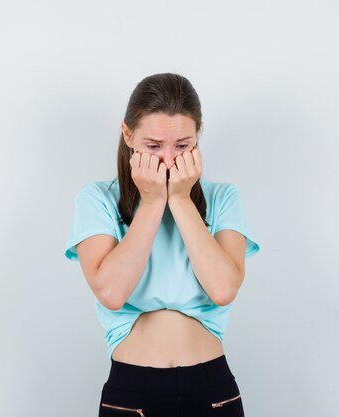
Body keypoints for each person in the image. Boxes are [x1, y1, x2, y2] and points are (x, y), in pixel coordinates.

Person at [64, 73, 260, 417]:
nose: (169, 160)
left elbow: (223, 289)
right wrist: (153, 203)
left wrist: (181, 199)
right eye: (154, 146)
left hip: (212, 388)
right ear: (128, 135)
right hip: (132, 389)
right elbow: (111, 292)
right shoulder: (98, 199)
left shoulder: (223, 198)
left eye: (182, 146)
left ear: (198, 135)